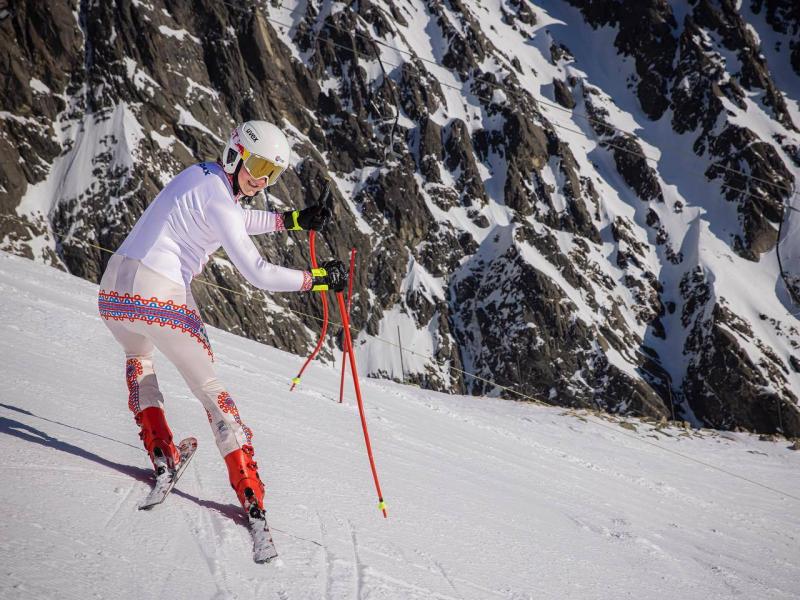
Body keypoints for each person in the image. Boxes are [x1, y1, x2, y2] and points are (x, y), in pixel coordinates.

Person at [97, 120, 347, 521]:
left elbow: (235, 218)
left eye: (273, 174)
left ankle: (161, 450)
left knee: (139, 358)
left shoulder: (201, 176)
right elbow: (259, 272)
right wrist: (318, 280)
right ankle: (249, 488)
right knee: (210, 387)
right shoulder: (219, 197)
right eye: (259, 167)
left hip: (113, 292)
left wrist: (293, 220)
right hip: (159, 293)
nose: (262, 182)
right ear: (236, 153)